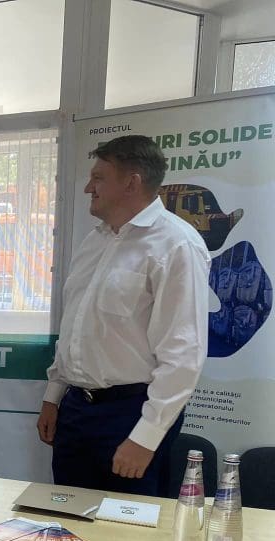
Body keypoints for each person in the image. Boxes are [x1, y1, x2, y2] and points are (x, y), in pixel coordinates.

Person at [37, 135, 210, 496]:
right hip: (75, 410)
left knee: (126, 524)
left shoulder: (176, 245)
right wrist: (54, 395)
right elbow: (75, 328)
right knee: (67, 516)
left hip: (131, 413)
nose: (88, 187)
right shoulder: (95, 241)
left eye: (98, 178)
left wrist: (146, 438)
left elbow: (183, 355)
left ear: (131, 183)